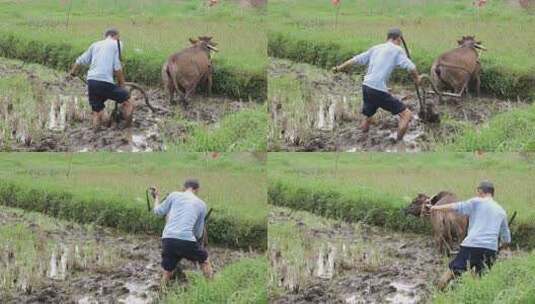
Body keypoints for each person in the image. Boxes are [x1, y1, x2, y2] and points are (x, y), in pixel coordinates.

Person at [332, 28, 421, 141]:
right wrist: (417, 79)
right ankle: (399, 143)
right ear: (398, 39)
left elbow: (355, 60)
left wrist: (338, 68)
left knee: (368, 116)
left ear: (387, 38)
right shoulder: (397, 50)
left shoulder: (376, 48)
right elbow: (411, 67)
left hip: (366, 86)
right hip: (377, 89)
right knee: (406, 115)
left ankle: (361, 139)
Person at [431, 181, 511, 290]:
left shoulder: (477, 202)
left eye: (477, 191)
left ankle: (437, 294)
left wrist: (434, 208)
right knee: (480, 278)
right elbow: (506, 238)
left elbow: (455, 206)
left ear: (480, 191)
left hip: (472, 245)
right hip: (490, 249)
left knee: (451, 272)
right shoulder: (501, 211)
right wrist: (500, 247)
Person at [69, 27, 134, 130]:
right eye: (119, 37)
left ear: (106, 36)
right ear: (115, 36)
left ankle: (94, 134)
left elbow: (80, 60)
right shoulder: (117, 44)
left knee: (97, 112)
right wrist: (122, 84)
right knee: (128, 100)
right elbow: (117, 67)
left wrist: (72, 72)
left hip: (92, 81)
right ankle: (128, 129)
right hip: (104, 81)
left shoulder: (95, 44)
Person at [150, 179, 213, 283]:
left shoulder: (174, 195)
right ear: (197, 190)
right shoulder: (202, 204)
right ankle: (211, 286)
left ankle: (161, 291)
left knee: (167, 271)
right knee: (205, 260)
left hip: (168, 239)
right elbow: (198, 232)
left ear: (183, 188)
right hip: (186, 239)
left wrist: (156, 197)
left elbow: (157, 212)